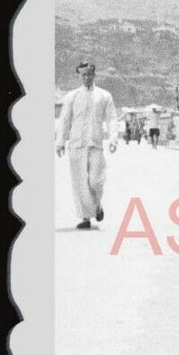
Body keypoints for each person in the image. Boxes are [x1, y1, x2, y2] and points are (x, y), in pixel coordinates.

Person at [56, 62, 117, 230]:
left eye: (89, 75)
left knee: (96, 181)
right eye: (83, 75)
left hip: (95, 144)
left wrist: (113, 138)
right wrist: (60, 142)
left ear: (94, 75)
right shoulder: (72, 96)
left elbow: (112, 118)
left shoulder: (104, 96)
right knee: (80, 182)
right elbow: (64, 120)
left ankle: (96, 206)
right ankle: (85, 217)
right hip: (76, 144)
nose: (86, 78)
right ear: (80, 76)